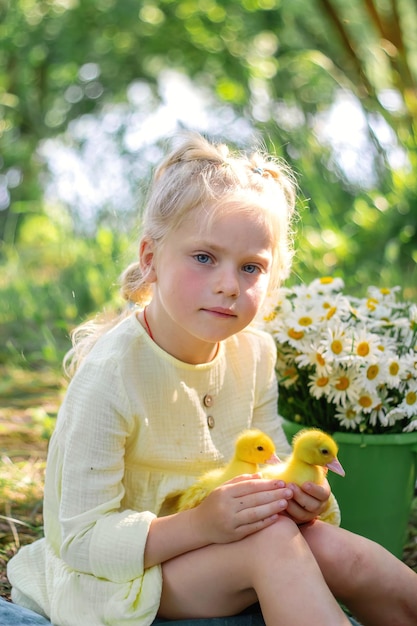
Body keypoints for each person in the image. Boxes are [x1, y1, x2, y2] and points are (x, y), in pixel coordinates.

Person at [7, 132, 417, 626]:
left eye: (250, 267)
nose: (228, 284)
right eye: (204, 257)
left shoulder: (254, 353)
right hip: (122, 579)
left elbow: (274, 461)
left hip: (227, 552)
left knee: (338, 549)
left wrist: (303, 495)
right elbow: (79, 540)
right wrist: (201, 524)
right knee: (272, 545)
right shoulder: (111, 375)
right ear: (150, 258)